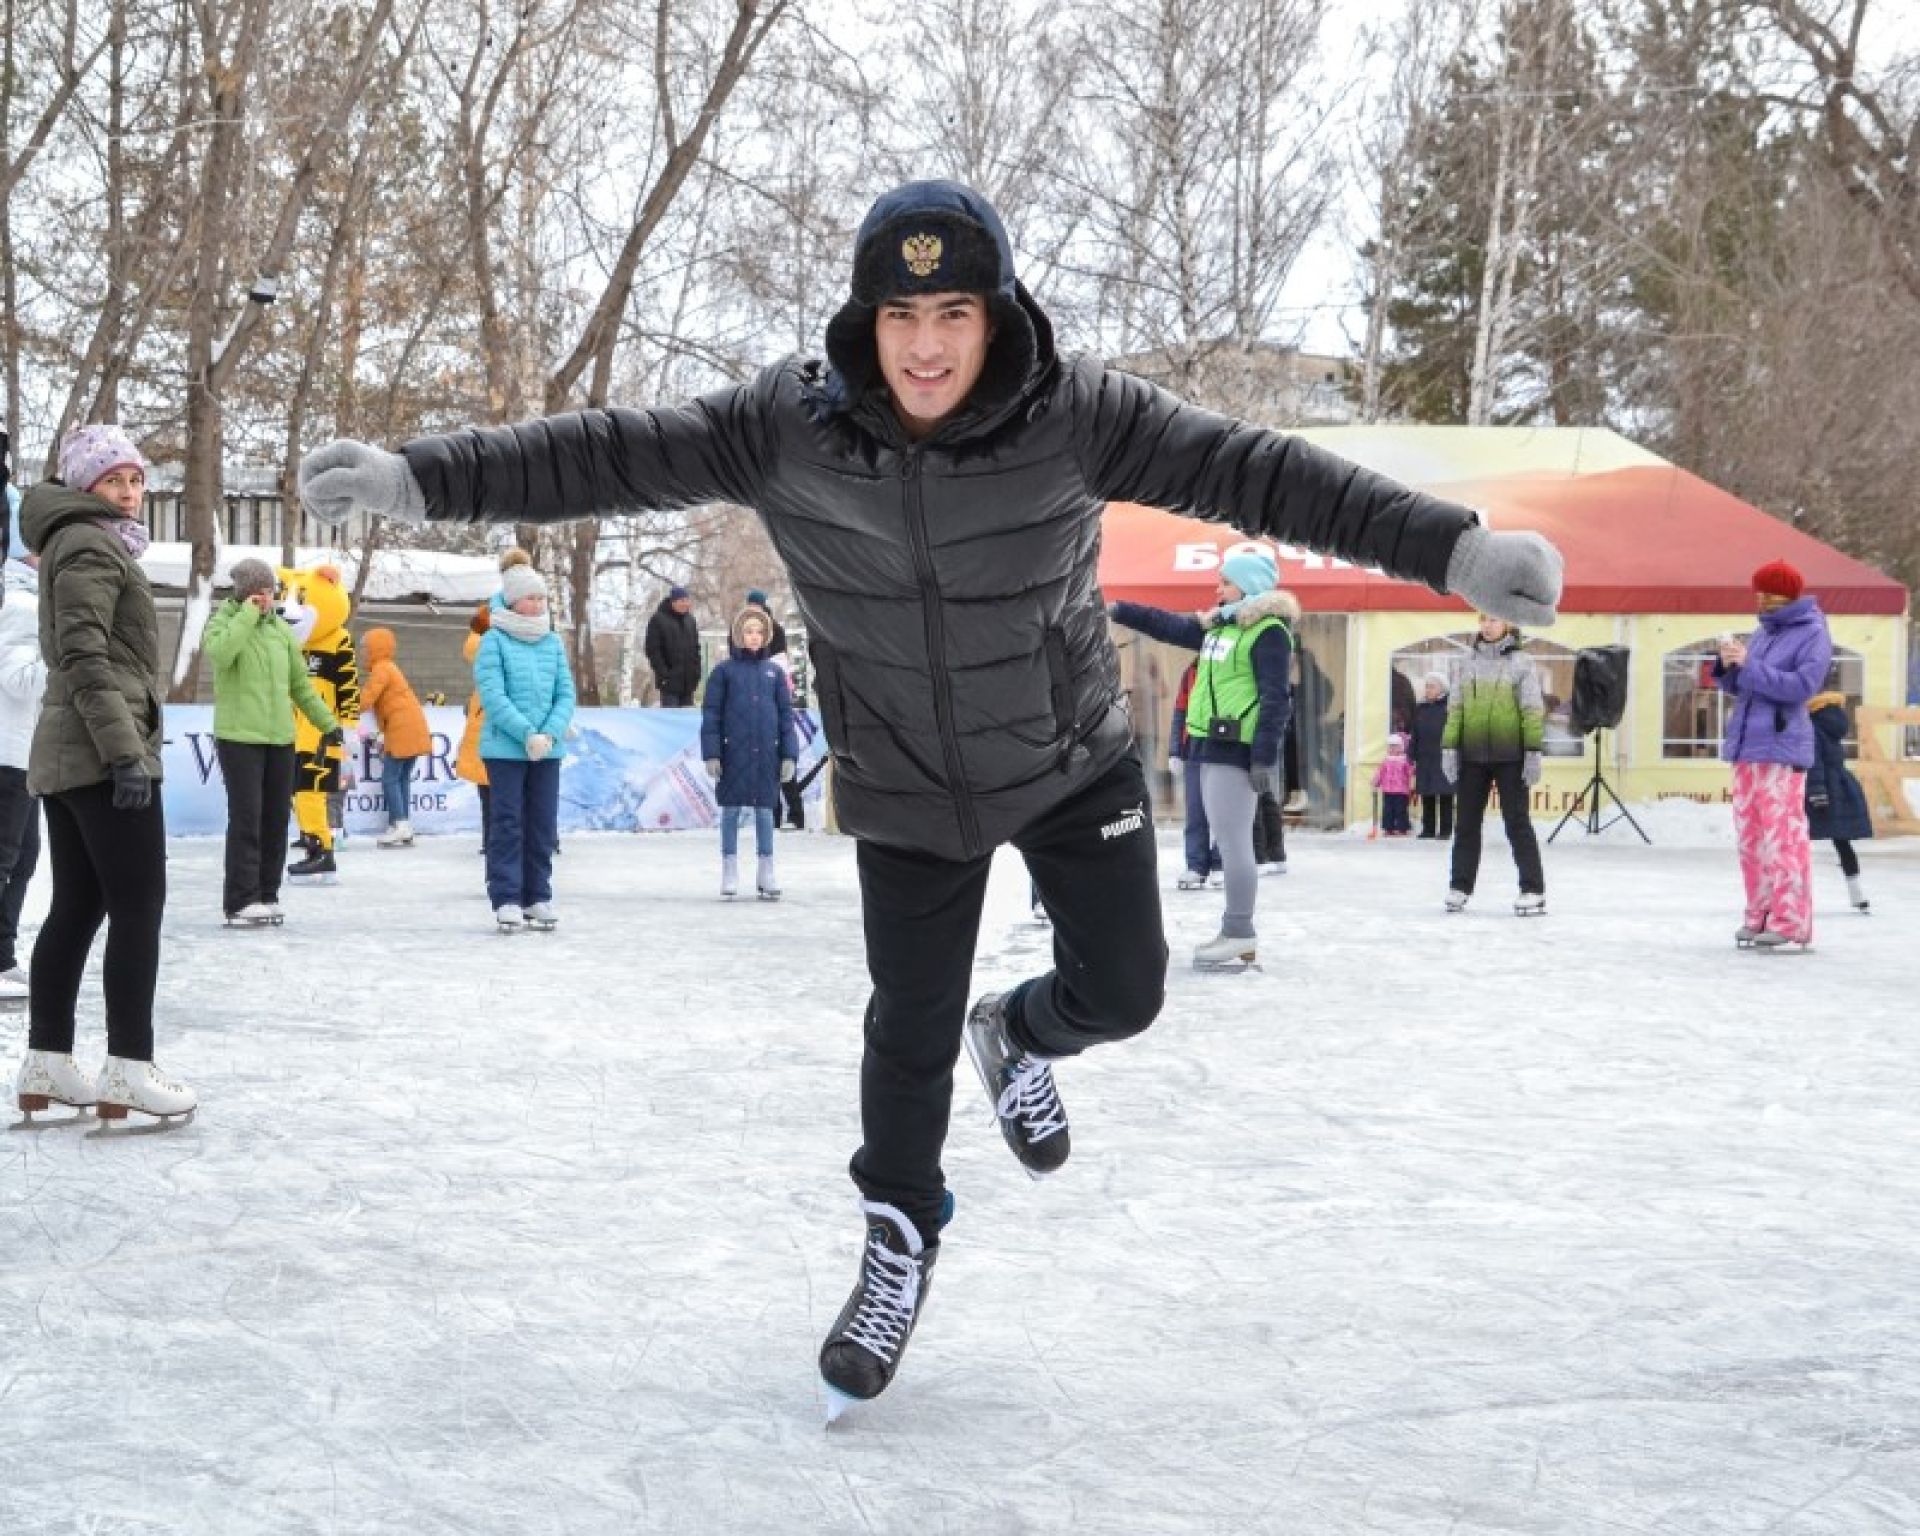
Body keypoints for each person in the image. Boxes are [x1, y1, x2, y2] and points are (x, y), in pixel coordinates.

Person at [297, 178, 1563, 1410]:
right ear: (865, 325)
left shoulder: (1080, 414)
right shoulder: (785, 426)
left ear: (997, 317)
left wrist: (1450, 547)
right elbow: (604, 456)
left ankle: (1021, 1031)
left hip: (1066, 760)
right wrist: (420, 479)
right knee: (904, 1028)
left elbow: (1268, 476)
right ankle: (898, 1240)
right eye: (902, 318)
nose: (926, 344)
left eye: (954, 314)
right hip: (902, 775)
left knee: (1124, 993)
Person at [12, 425, 195, 1129]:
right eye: (113, 479)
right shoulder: (90, 543)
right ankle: (129, 1067)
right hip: (98, 745)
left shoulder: (78, 541)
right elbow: (85, 656)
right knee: (139, 904)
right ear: (84, 485)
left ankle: (49, 1062)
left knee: (80, 906)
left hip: (72, 748)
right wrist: (124, 753)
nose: (128, 491)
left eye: (137, 479)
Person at [1111, 552, 1295, 969]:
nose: (1218, 588)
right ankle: (1234, 932)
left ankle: (1239, 932)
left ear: (1248, 585)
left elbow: (1276, 700)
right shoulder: (1219, 628)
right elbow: (1167, 624)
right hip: (1206, 744)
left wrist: (1264, 758)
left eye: (1225, 582)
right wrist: (1119, 609)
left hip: (1238, 750)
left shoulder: (1268, 632)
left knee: (1233, 844)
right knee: (1225, 839)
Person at [204, 558, 340, 924]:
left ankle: (267, 892)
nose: (267, 597)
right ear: (245, 593)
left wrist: (328, 724)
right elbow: (220, 653)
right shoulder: (224, 622)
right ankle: (240, 900)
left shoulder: (280, 631)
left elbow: (300, 686)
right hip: (239, 738)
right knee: (247, 818)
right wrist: (246, 616)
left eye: (269, 591)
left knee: (276, 818)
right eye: (259, 592)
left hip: (280, 738)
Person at [1715, 560, 1831, 949]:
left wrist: (1750, 665)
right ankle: (1759, 913)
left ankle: (1791, 921)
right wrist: (1729, 666)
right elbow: (1747, 686)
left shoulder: (1812, 633)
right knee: (1751, 838)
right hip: (1749, 746)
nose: (1760, 600)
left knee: (1783, 839)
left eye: (1767, 593)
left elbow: (1801, 687)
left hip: (1782, 749)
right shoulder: (1764, 632)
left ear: (1785, 595)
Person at [473, 557, 576, 931]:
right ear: (513, 601)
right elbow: (493, 695)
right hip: (506, 750)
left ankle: (538, 895)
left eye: (541, 598)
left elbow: (566, 693)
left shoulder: (552, 642)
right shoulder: (493, 642)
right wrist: (526, 734)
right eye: (530, 598)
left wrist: (548, 733)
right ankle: (507, 897)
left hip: (547, 750)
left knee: (542, 824)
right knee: (508, 822)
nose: (537, 604)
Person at [1443, 615, 1547, 915]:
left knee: (1516, 822)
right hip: (1472, 756)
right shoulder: (1467, 661)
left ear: (1508, 625)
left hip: (1510, 757)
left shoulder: (1521, 663)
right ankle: (1459, 886)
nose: (1487, 625)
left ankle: (1533, 888)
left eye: (1494, 620)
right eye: (1483, 619)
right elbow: (1456, 707)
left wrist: (1532, 750)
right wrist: (1449, 746)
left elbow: (1531, 709)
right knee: (1465, 824)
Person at [701, 607, 799, 899]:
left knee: (765, 811)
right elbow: (712, 715)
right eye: (748, 631)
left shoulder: (774, 673)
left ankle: (766, 869)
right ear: (738, 635)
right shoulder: (724, 672)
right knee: (730, 810)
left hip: (766, 753)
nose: (754, 637)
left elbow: (785, 716)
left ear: (766, 635)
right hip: (734, 753)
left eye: (759, 631)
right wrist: (712, 753)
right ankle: (729, 867)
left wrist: (789, 754)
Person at [1, 484, 47, 1002]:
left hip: (23, 753)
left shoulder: (29, 600)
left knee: (25, 856)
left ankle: (4, 953)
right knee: (8, 856)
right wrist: (65, 660)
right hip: (9, 752)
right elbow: (16, 681)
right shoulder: (19, 603)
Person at [359, 626, 432, 847]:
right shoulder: (389, 667)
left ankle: (400, 824)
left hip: (403, 728)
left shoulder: (382, 669)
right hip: (412, 725)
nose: (362, 652)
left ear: (375, 649)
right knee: (401, 778)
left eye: (365, 648)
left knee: (390, 778)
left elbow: (367, 698)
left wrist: (345, 707)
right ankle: (401, 825)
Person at [1804, 688, 1872, 914]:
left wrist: (1817, 792)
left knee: (1798, 840)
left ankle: (1796, 894)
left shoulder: (1813, 727)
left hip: (1822, 787)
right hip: (1841, 785)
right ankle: (1857, 892)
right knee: (1842, 841)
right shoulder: (1836, 724)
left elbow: (1815, 763)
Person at [1168, 658, 1219, 891]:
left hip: (1224, 748)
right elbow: (1180, 711)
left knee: (1222, 812)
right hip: (1194, 750)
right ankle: (1196, 865)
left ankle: (1221, 863)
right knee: (1195, 811)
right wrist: (1175, 751)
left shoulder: (1233, 668)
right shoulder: (1191, 671)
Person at [456, 603, 492, 858]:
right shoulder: (491, 647)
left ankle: (491, 837)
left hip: (485, 729)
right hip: (488, 730)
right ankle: (492, 838)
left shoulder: (482, 648)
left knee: (490, 793)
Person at [1411, 670, 1454, 839]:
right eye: (1426, 687)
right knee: (1427, 794)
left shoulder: (1449, 708)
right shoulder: (1421, 708)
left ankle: (1445, 830)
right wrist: (1412, 753)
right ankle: (1428, 829)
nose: (1427, 690)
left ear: (1441, 689)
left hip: (1444, 757)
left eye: (1431, 687)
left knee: (1445, 795)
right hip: (1425, 757)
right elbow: (1415, 732)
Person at [644, 584, 702, 707]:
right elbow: (652, 650)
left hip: (688, 684)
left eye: (687, 600)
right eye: (682, 601)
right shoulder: (658, 620)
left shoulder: (690, 621)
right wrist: (664, 675)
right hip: (669, 686)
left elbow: (696, 649)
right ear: (673, 602)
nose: (686, 604)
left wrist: (696, 672)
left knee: (685, 723)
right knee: (669, 721)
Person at [1373, 732, 1415, 836]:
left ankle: (1402, 828)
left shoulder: (1404, 760)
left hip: (1401, 790)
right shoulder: (1386, 760)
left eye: (1395, 746)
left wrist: (1413, 773)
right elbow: (1380, 772)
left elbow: (1409, 772)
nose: (1392, 749)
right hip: (1387, 790)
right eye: (1390, 747)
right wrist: (1376, 781)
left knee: (1400, 810)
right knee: (1388, 810)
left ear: (1401, 747)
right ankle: (1388, 828)